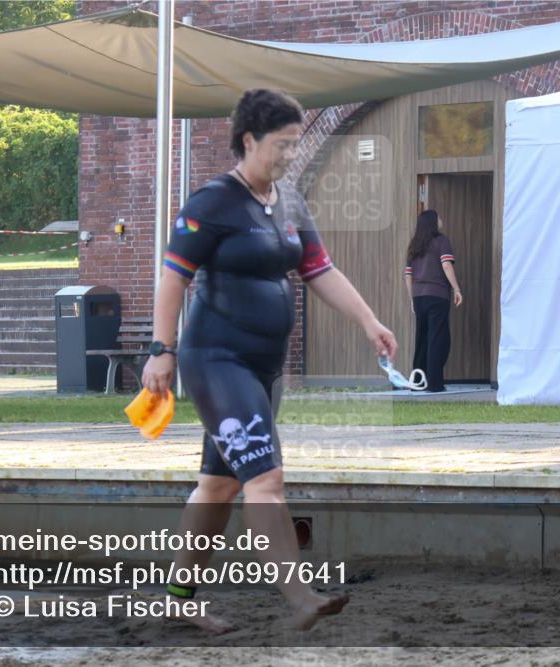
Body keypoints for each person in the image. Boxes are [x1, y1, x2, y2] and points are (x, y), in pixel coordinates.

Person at [140, 89, 398, 632]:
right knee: (267, 478)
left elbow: (319, 270)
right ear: (249, 140)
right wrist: (161, 352)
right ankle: (301, 596)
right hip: (216, 360)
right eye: (281, 144)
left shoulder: (290, 203)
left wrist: (369, 321)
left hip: (263, 368)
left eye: (296, 144)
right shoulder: (212, 203)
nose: (290, 155)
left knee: (219, 485)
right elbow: (173, 279)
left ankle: (176, 597)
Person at [404, 209, 463, 393]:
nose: (441, 220)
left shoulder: (414, 245)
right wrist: (456, 288)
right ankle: (435, 383)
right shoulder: (441, 241)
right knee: (438, 339)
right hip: (437, 296)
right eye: (439, 217)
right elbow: (446, 265)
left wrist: (412, 299)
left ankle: (418, 383)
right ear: (433, 222)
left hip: (419, 297)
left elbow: (408, 275)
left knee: (422, 339)